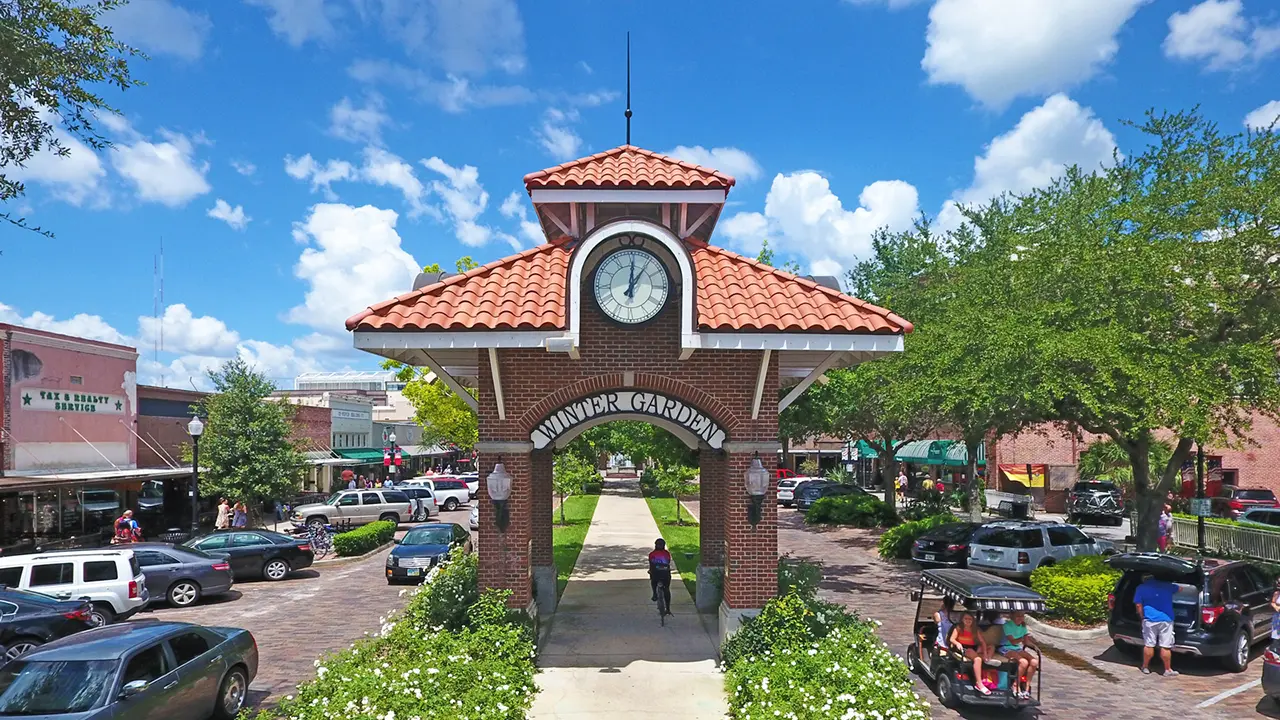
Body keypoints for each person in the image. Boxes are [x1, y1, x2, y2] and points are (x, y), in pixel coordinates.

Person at [1134, 573, 1179, 676]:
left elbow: (1138, 604)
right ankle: (1167, 670)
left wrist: (1141, 616)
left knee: (1149, 644)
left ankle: (1145, 667)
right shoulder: (1167, 586)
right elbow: (1180, 589)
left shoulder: (1141, 588)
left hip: (1149, 619)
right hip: (1166, 619)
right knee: (1165, 645)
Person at [948, 613, 992, 695]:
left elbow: (983, 642)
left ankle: (986, 659)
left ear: (973, 620)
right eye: (966, 619)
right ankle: (979, 684)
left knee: (991, 647)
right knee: (978, 659)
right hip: (963, 648)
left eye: (970, 619)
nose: (968, 621)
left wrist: (985, 653)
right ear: (962, 619)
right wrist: (957, 643)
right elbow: (952, 639)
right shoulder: (959, 628)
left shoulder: (975, 629)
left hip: (973, 647)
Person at [999, 610, 1040, 698]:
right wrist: (1022, 638)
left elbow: (1026, 642)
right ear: (1012, 616)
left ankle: (1026, 686)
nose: (1020, 618)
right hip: (1006, 648)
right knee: (1023, 662)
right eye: (1018, 616)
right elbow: (1013, 641)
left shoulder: (1023, 626)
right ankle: (1015, 684)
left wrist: (1034, 646)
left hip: (1017, 648)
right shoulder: (1007, 625)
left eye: (1022, 616)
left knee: (1034, 662)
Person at [648, 538, 673, 610]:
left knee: (653, 581)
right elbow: (668, 562)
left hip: (656, 574)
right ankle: (668, 608)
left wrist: (650, 571)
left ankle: (654, 594)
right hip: (665, 574)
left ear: (655, 545)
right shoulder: (667, 554)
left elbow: (651, 565)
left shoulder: (652, 554)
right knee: (667, 589)